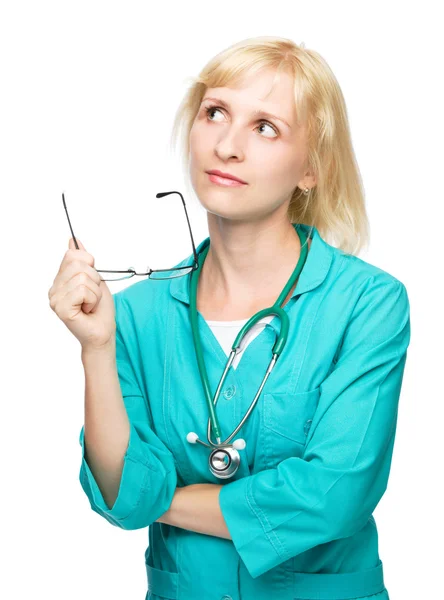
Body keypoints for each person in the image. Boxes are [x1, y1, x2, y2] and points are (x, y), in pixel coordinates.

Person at [48, 36, 410, 600]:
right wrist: (95, 347)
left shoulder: (366, 304)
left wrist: (164, 498)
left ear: (311, 168)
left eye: (265, 127)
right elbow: (122, 495)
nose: (227, 146)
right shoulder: (136, 315)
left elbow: (333, 494)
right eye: (215, 113)